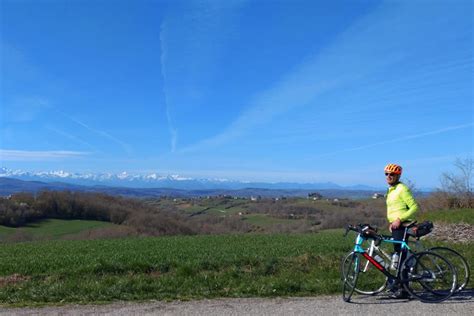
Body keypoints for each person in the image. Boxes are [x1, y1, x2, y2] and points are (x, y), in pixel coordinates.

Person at [384, 163, 419, 299]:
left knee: (401, 257)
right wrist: (391, 222)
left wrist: (399, 219)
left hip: (403, 226)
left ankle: (404, 290)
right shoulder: (391, 190)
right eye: (386, 174)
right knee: (399, 256)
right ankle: (398, 286)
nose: (389, 176)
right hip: (396, 227)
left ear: (398, 175)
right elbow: (394, 208)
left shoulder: (402, 189)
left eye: (392, 174)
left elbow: (414, 207)